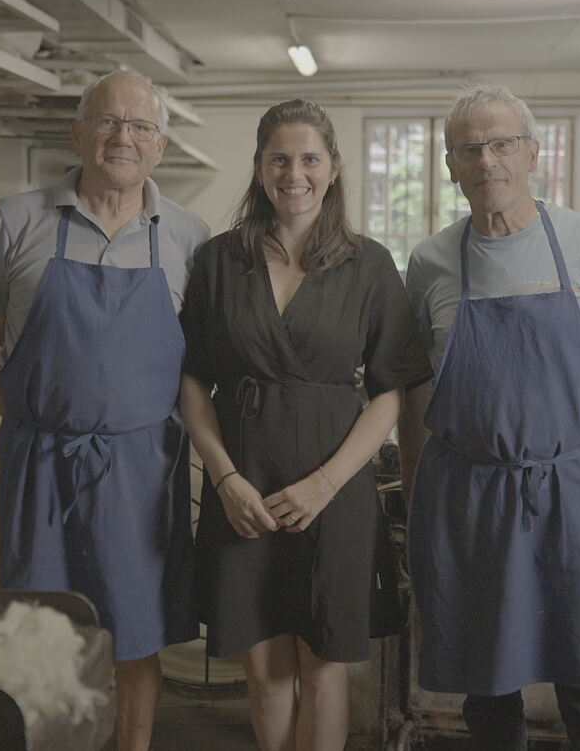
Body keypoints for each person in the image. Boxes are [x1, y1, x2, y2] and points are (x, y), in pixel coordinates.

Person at [399, 83, 580, 750]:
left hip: (578, 495)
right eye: (469, 148)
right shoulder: (429, 261)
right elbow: (416, 395)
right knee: (488, 697)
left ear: (533, 153)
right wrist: (415, 502)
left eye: (501, 143)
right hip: (470, 499)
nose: (487, 160)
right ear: (450, 164)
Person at [0, 69, 209, 751]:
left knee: (133, 632)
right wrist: (41, 421)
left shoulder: (189, 236)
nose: (122, 137)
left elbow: (199, 364)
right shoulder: (16, 220)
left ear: (160, 147)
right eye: (107, 121)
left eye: (140, 127)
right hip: (40, 461)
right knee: (39, 629)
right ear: (78, 133)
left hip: (143, 470)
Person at [178, 99, 432, 751]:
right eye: (280, 159)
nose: (296, 173)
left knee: (323, 668)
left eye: (309, 158)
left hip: (335, 489)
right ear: (260, 168)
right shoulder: (216, 262)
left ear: (334, 168)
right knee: (264, 673)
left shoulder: (370, 266)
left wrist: (325, 483)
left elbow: (389, 392)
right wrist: (224, 476)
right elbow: (192, 381)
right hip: (244, 490)